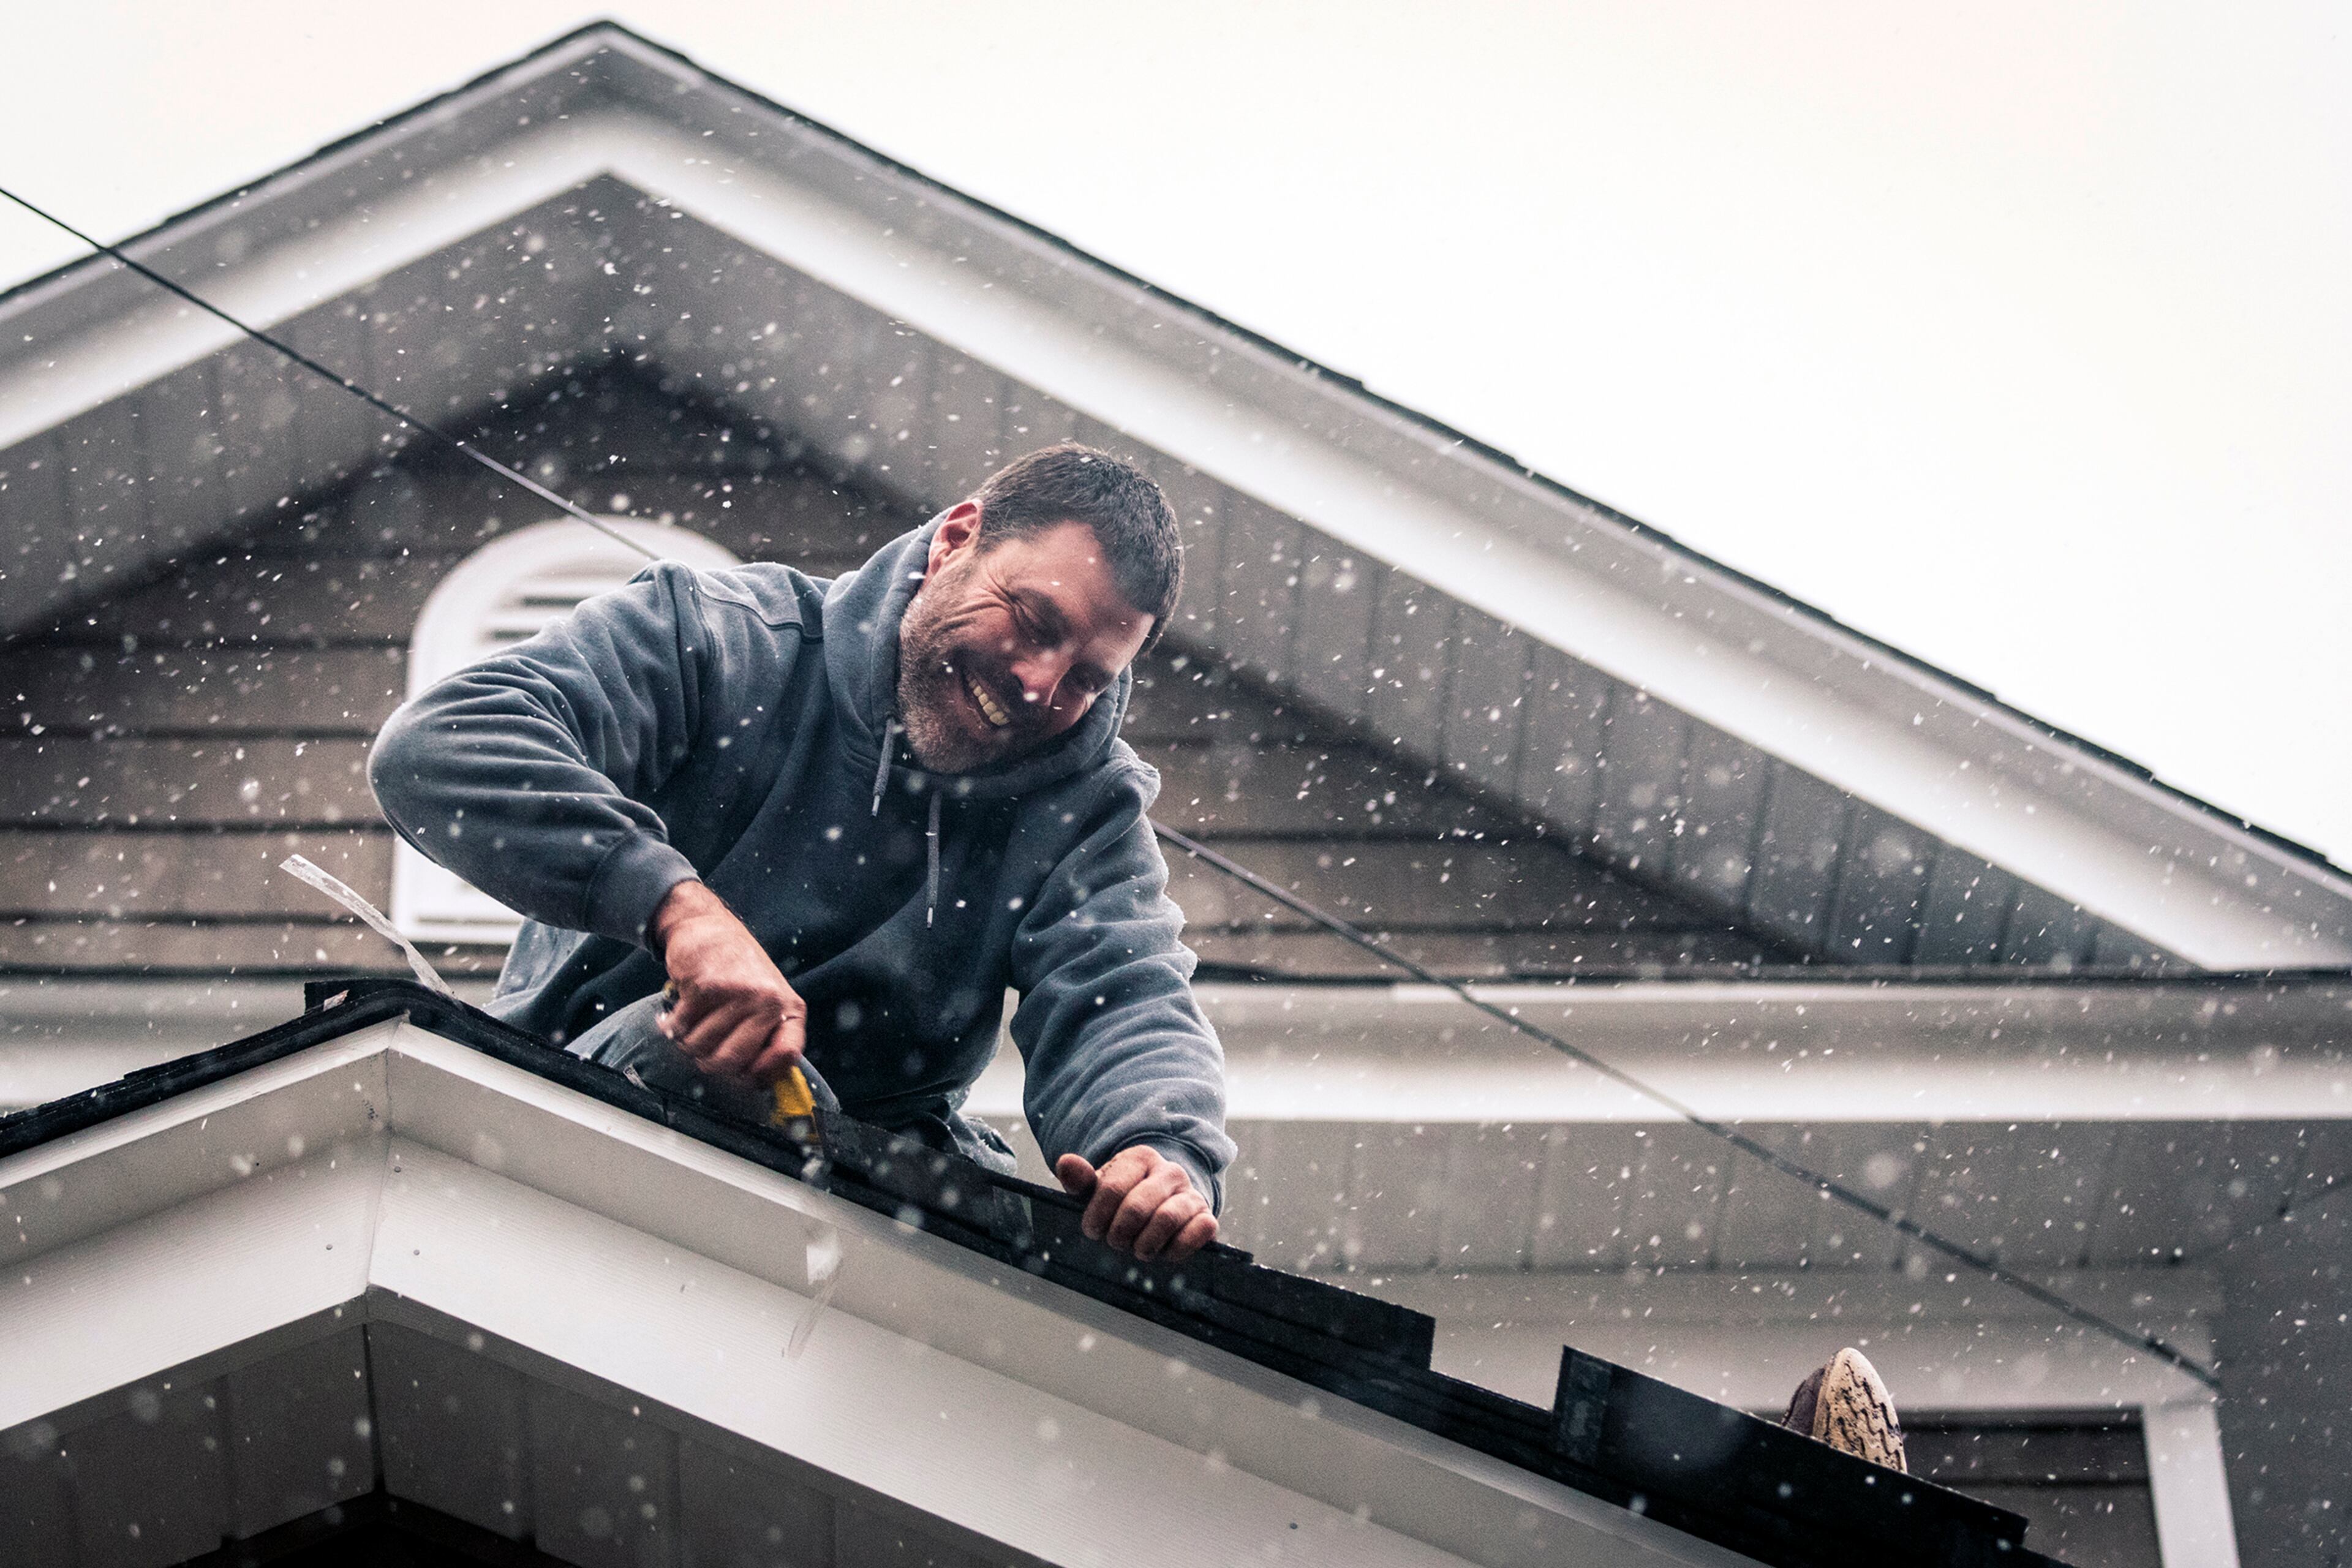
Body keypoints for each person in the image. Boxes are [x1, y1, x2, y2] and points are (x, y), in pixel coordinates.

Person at [371, 444, 1232, 1263]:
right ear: (956, 540)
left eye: (1088, 677)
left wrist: (1157, 1151)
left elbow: (1126, 992)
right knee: (693, 1059)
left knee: (1052, 1252)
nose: (1042, 684)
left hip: (879, 1193)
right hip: (583, 1115)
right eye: (1034, 620)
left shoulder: (1084, 808)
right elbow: (441, 746)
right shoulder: (722, 640)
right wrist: (678, 911)